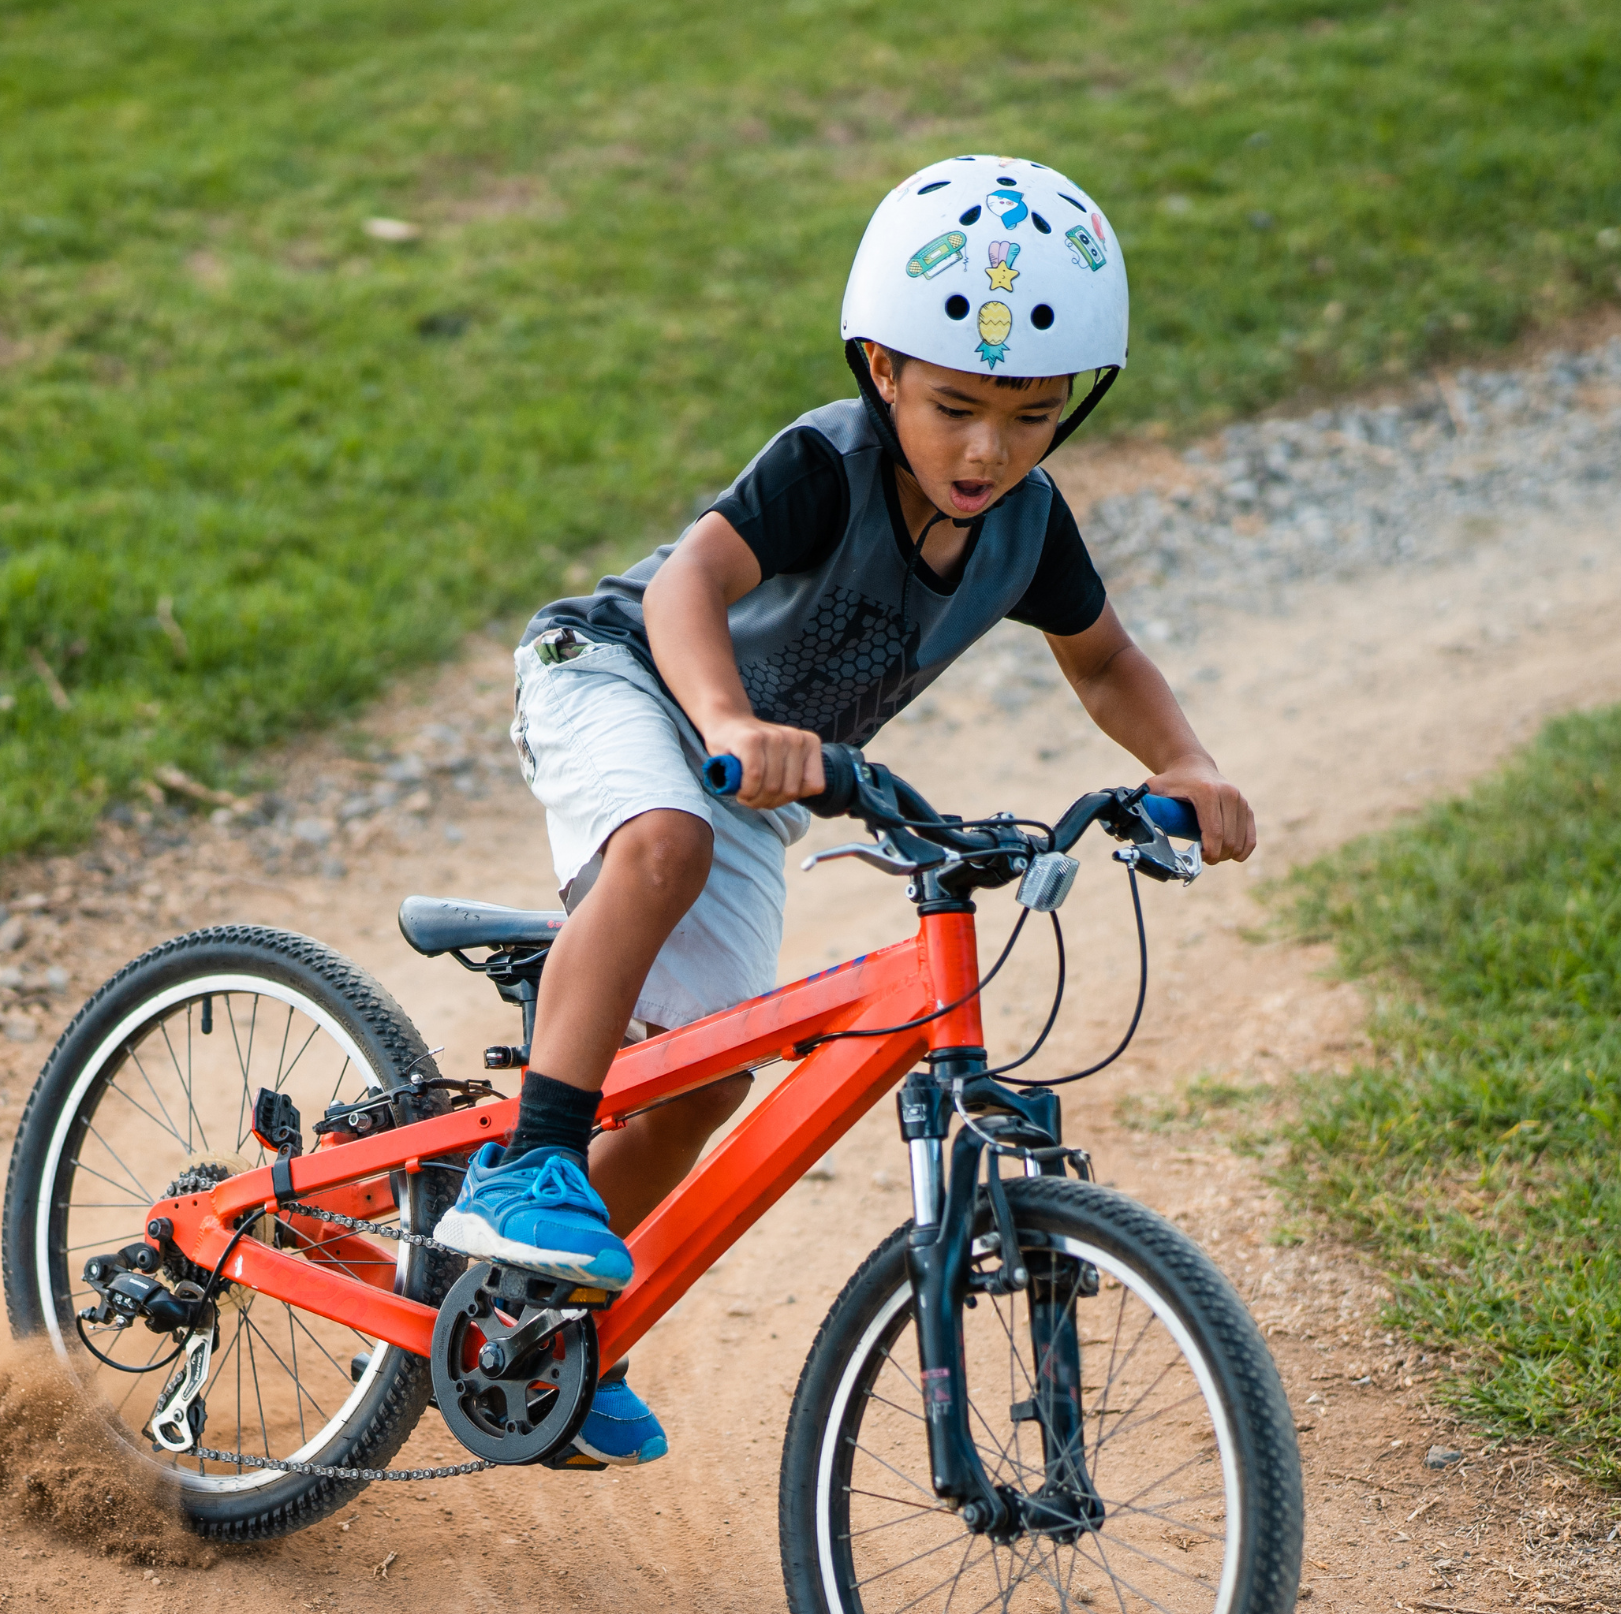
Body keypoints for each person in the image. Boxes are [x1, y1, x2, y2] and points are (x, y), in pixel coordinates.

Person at [433, 154, 1257, 1465]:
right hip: (621, 675)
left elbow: (1105, 661)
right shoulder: (831, 460)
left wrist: (1188, 767)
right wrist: (722, 725)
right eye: (956, 406)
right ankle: (525, 1165)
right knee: (664, 841)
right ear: (882, 367)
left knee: (705, 1082)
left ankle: (548, 1322)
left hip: (762, 779)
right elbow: (686, 588)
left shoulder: (1028, 531)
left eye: (1034, 415)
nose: (989, 448)